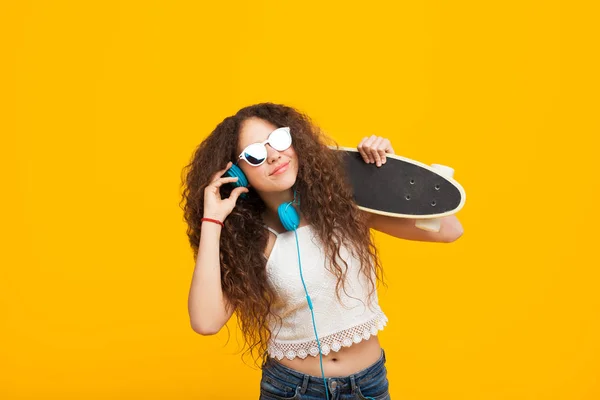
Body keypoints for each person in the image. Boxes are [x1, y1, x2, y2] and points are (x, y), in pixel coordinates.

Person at [181, 102, 464, 400]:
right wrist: (212, 220)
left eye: (278, 140)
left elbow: (450, 230)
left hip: (368, 386)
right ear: (238, 173)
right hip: (291, 390)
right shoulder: (251, 239)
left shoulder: (347, 205)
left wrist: (388, 178)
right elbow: (205, 321)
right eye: (255, 154)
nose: (274, 155)